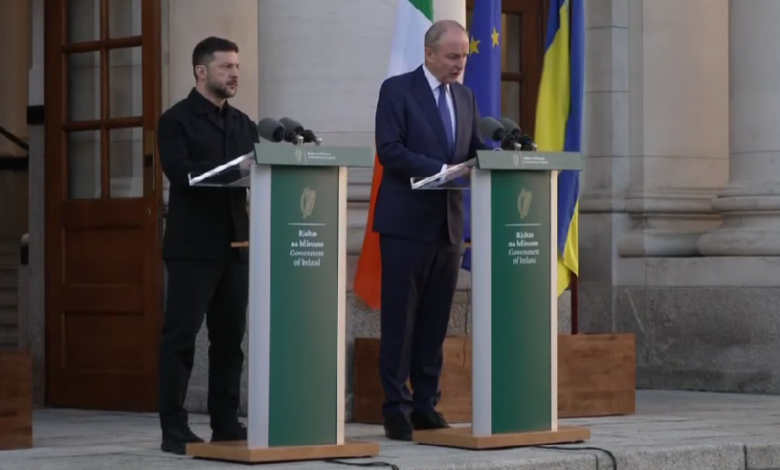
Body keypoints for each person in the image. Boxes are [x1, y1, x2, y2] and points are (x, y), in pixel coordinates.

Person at [373, 20, 490, 441]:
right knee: (401, 321)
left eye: (464, 57)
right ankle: (396, 408)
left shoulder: (465, 96)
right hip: (405, 225)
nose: (460, 64)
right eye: (452, 56)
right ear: (429, 54)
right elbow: (390, 150)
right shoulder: (397, 90)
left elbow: (475, 149)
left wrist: (506, 158)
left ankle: (426, 405)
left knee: (434, 323)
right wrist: (440, 170)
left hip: (448, 227)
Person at [156, 36, 258, 455]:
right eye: (226, 67)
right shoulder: (175, 121)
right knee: (180, 338)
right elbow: (180, 171)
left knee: (230, 341)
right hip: (193, 247)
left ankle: (225, 421)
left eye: (237, 67)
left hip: (236, 244)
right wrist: (229, 169)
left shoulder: (244, 124)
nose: (235, 74)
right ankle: (173, 427)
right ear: (201, 72)